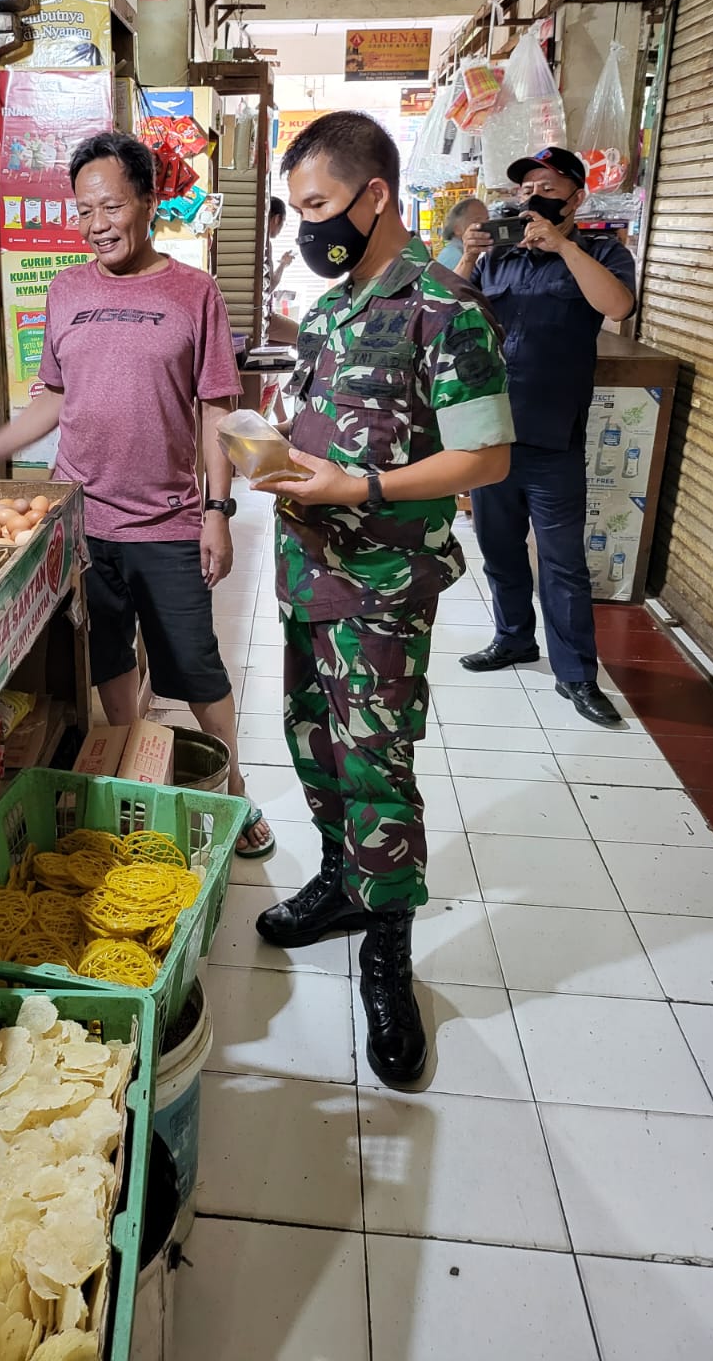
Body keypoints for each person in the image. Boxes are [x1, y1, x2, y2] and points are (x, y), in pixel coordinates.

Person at [252, 112, 514, 1084]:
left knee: (377, 762)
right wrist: (278, 459)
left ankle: (387, 951)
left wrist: (355, 488)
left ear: (373, 196)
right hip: (307, 575)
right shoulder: (331, 310)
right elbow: (333, 423)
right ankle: (338, 880)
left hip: (381, 585)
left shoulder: (445, 307)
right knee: (313, 742)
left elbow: (486, 454)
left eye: (317, 206)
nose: (306, 227)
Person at [0, 130, 274, 856]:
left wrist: (217, 511)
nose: (96, 225)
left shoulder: (193, 292)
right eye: (83, 210)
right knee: (110, 660)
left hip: (171, 519)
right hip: (83, 519)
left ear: (148, 201)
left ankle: (235, 788)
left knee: (195, 664)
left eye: (111, 206)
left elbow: (217, 409)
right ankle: (137, 780)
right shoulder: (67, 290)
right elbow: (51, 400)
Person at [454, 145, 637, 728]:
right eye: (525, 186)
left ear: (576, 198)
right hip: (490, 434)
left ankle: (578, 674)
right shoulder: (497, 257)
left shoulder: (602, 252)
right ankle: (513, 639)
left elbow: (618, 306)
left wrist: (562, 247)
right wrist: (465, 259)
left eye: (548, 186)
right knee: (501, 548)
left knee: (561, 563)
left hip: (553, 438)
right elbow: (447, 312)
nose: (533, 195)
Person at [261, 196, 298, 425]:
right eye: (282, 224)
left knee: (273, 366)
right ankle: (303, 393)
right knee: (305, 338)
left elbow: (267, 285)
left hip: (264, 317)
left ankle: (282, 418)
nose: (280, 229)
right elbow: (270, 285)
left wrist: (283, 264)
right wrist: (283, 265)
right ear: (276, 219)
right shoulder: (264, 243)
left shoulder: (262, 241)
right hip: (265, 318)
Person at [435, 197, 488, 269]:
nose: (486, 226)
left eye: (487, 220)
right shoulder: (453, 256)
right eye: (477, 222)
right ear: (457, 229)